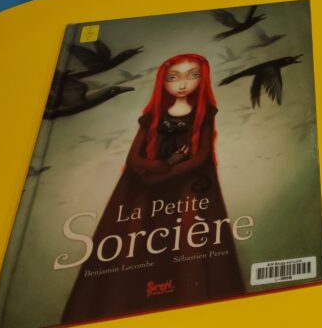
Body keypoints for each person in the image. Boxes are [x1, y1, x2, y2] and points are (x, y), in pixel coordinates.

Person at [61, 54, 243, 322]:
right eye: (174, 77)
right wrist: (161, 166)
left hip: (187, 189)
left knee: (189, 244)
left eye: (192, 75)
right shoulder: (151, 117)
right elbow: (133, 159)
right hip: (142, 197)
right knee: (135, 248)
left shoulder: (205, 114)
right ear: (163, 81)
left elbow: (201, 157)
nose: (183, 84)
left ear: (202, 79)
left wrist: (160, 175)